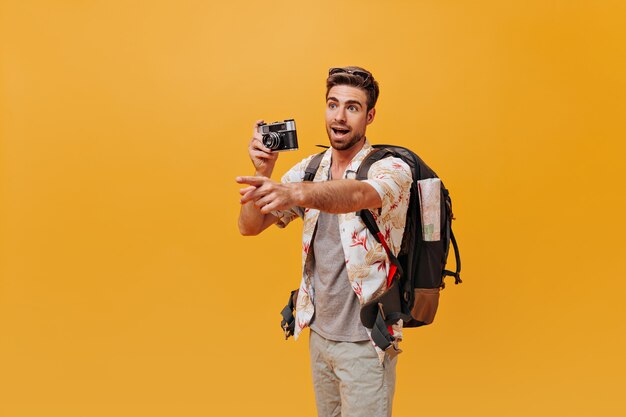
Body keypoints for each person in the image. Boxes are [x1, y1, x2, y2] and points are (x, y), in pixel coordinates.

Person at [236, 66, 412, 417]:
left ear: (370, 115)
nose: (340, 117)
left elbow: (357, 194)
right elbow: (249, 226)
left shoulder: (391, 169)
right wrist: (264, 173)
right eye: (333, 105)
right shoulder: (310, 168)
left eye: (352, 107)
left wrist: (294, 192)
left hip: (365, 343)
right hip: (319, 336)